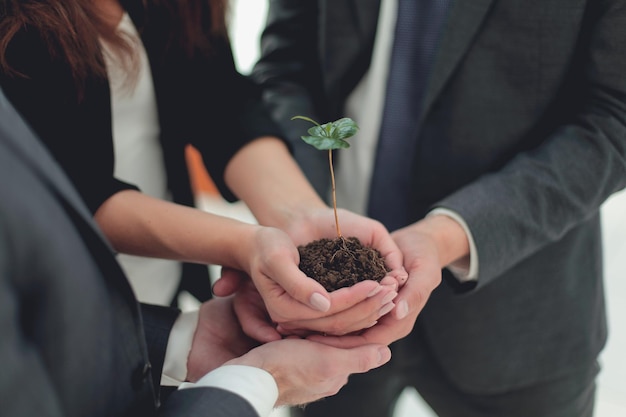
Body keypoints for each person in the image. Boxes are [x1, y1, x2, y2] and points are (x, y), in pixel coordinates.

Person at [250, 0, 626, 416]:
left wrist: (449, 233)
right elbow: (282, 68)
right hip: (326, 292)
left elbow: (616, 116)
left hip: (519, 312)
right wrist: (297, 207)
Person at [0, 0, 408, 333]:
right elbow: (67, 188)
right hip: (49, 306)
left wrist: (300, 215)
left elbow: (218, 94)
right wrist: (246, 245)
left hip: (161, 290)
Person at [0, 86, 394, 417]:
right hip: (77, 288)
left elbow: (217, 92)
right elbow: (72, 181)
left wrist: (302, 217)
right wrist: (263, 379)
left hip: (144, 312)